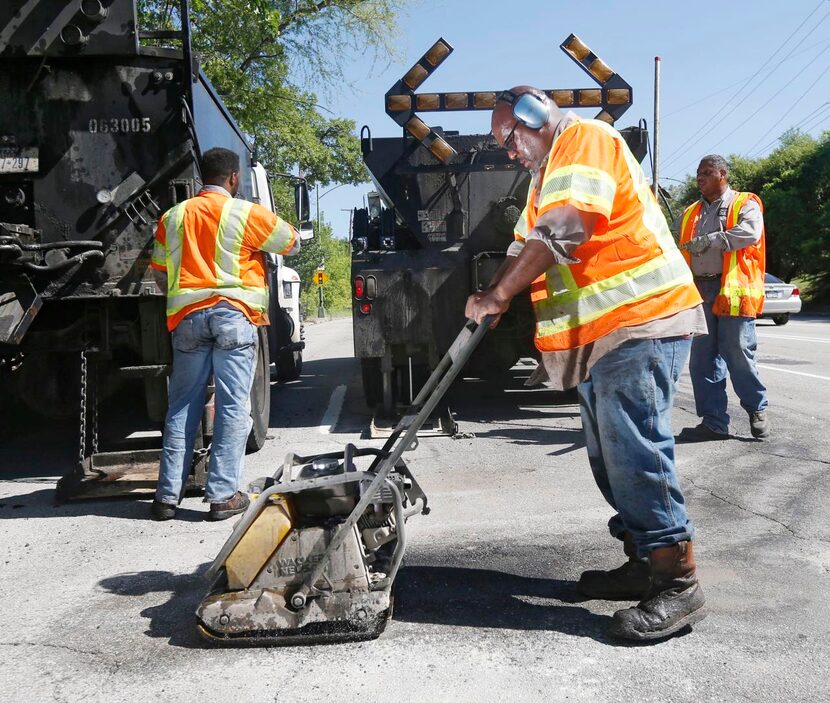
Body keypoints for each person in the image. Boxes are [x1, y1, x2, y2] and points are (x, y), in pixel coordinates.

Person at [466, 86, 709, 641]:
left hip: (641, 321)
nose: (508, 151)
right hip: (605, 335)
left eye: (509, 137)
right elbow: (526, 242)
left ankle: (679, 583)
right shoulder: (544, 178)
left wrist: (501, 294)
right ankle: (647, 562)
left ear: (534, 116)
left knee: (635, 452)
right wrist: (492, 292)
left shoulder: (585, 140)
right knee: (610, 459)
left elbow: (566, 228)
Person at [149, 147, 299, 521]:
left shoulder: (172, 217)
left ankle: (167, 498)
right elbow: (291, 242)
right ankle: (221, 497)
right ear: (234, 178)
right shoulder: (245, 213)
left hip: (187, 320)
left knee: (182, 406)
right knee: (233, 405)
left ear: (203, 177)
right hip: (235, 317)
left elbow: (158, 273)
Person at [678, 155, 769, 441]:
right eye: (698, 173)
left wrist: (713, 239)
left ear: (723, 174)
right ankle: (714, 422)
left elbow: (751, 233)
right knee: (702, 360)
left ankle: (757, 409)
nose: (700, 178)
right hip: (699, 290)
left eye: (707, 172)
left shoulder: (744, 203)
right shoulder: (690, 212)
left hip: (732, 289)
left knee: (738, 352)